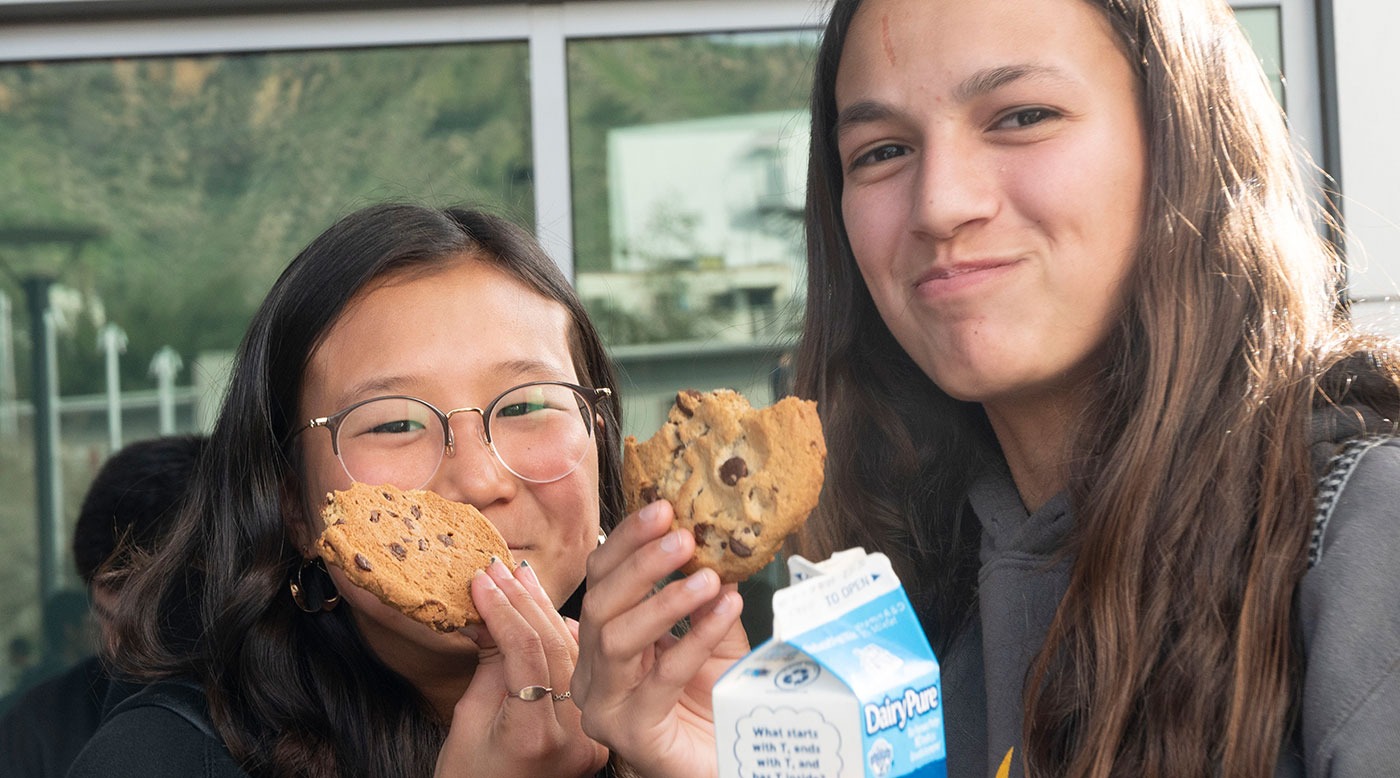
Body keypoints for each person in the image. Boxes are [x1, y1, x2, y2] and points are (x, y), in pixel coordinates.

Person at [573, 1, 1400, 777]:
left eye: (1021, 116)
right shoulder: (901, 617)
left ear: (1184, 138)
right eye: (883, 152)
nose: (940, 204)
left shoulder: (1363, 535)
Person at [67, 204, 622, 777]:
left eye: (528, 405)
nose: (480, 482)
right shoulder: (157, 760)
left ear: (597, 446)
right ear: (296, 508)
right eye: (394, 424)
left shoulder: (699, 704)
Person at [0, 435, 206, 776]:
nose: (117, 647)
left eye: (146, 624)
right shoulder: (39, 727)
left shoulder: (286, 709)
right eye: (105, 617)